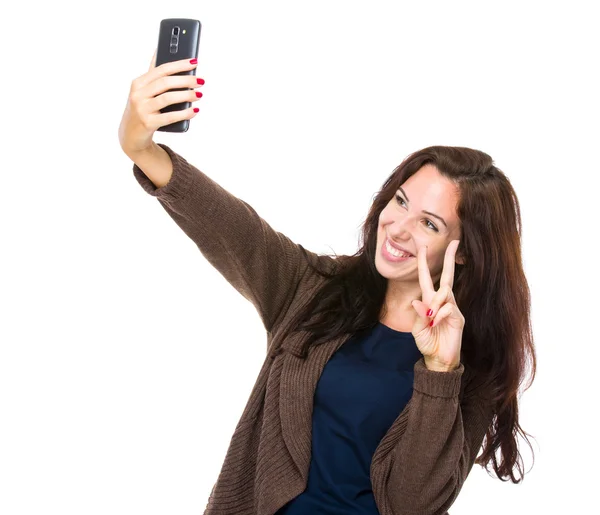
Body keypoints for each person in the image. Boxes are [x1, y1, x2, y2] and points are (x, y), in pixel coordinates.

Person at [119, 51, 536, 515]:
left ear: (466, 256)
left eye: (429, 224)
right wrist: (142, 149)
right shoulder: (313, 290)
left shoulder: (474, 367)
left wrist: (439, 371)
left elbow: (413, 503)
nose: (397, 227)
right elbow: (234, 229)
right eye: (399, 201)